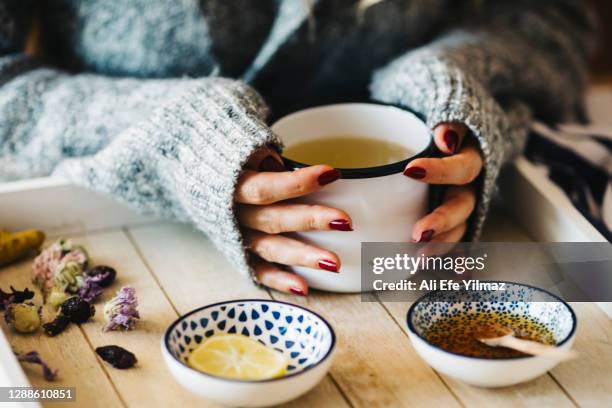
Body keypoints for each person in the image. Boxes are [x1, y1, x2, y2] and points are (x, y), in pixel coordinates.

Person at [0, 0, 595, 295]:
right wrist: (179, 133)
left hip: (448, 263)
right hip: (135, 244)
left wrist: (458, 77)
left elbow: (550, 19)